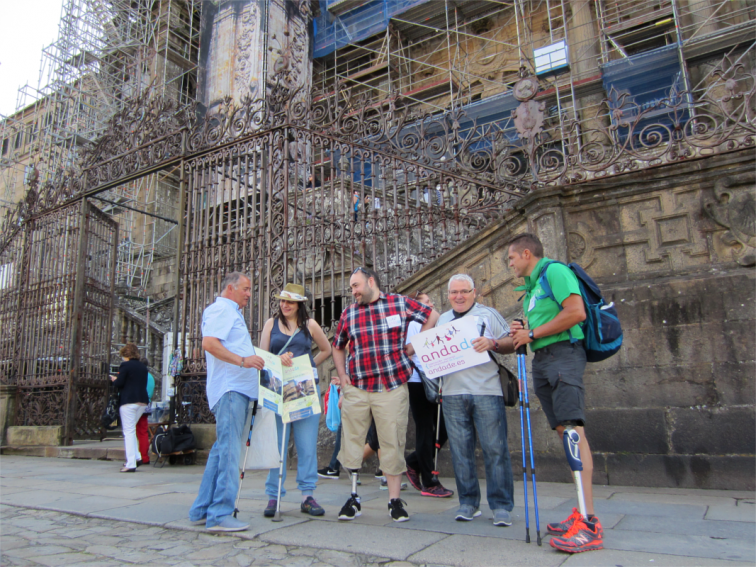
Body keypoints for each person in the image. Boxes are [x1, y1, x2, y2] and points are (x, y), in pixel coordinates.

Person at [507, 233, 603, 553]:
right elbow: (539, 326)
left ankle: (589, 523)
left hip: (563, 355)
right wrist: (524, 331)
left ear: (525, 253)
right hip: (544, 359)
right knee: (565, 431)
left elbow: (576, 312)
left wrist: (531, 332)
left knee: (574, 433)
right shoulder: (532, 288)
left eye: (511, 258)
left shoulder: (554, 271)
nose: (509, 263)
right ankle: (581, 511)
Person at [332, 267, 439, 522]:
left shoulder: (398, 303)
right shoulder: (349, 313)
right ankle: (354, 497)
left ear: (371, 282)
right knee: (353, 442)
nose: (353, 291)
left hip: (391, 387)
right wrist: (343, 376)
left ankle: (394, 501)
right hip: (357, 387)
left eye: (356, 286)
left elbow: (431, 315)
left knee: (393, 442)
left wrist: (414, 346)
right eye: (351, 288)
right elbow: (337, 347)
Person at [188, 272, 265, 532]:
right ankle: (220, 513)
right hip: (231, 391)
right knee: (230, 452)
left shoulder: (231, 312)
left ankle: (202, 509)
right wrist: (243, 361)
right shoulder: (222, 309)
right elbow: (209, 343)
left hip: (236, 390)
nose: (248, 293)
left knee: (222, 450)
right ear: (230, 288)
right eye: (245, 288)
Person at [436, 274, 516, 526]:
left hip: (487, 391)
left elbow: (511, 341)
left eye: (464, 291)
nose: (459, 296)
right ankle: (468, 502)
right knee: (461, 452)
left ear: (474, 292)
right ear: (448, 296)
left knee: (495, 449)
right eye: (453, 292)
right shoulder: (442, 319)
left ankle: (501, 506)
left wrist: (492, 343)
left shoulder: (488, 314)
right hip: (452, 394)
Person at [260, 283, 332, 517]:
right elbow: (262, 357)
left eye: (290, 301)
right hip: (278, 390)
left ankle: (307, 495)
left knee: (307, 445)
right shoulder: (271, 324)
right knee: (277, 445)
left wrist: (309, 366)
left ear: (300, 304)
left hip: (303, 390)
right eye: (282, 300)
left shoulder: (309, 325)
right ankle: (273, 495)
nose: (285, 305)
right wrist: (277, 360)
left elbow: (326, 349)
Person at [404, 292, 453, 498]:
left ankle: (415, 461)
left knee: (444, 427)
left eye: (431, 302)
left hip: (434, 378)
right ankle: (429, 480)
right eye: (426, 302)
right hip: (417, 379)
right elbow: (407, 350)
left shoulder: (430, 322)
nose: (431, 306)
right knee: (425, 428)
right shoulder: (411, 323)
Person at [110, 343, 149, 472]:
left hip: (129, 401)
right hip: (142, 402)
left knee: (129, 432)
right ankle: (137, 457)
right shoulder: (143, 367)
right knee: (132, 429)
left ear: (126, 355)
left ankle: (131, 463)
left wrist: (114, 379)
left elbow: (120, 383)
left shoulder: (125, 365)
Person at [135, 357, 156, 467]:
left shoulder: (138, 376)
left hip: (136, 403)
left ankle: (135, 456)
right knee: (143, 432)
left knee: (132, 432)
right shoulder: (151, 377)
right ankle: (145, 457)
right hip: (146, 405)